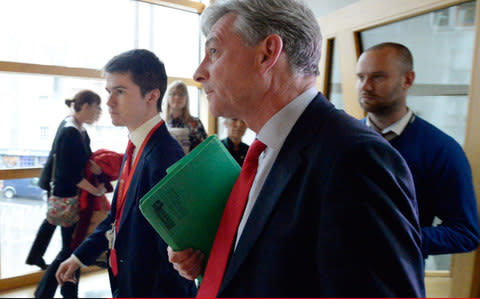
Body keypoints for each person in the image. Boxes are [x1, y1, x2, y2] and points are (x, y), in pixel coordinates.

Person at [167, 0, 425, 297]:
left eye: (214, 52)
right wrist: (217, 261)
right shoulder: (265, 150)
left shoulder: (354, 159)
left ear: (267, 54)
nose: (199, 72)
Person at [55, 49, 197, 298]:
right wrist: (78, 257)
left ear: (152, 95)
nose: (108, 102)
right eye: (109, 92)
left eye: (119, 91)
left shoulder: (165, 156)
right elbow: (116, 218)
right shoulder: (136, 147)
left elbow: (172, 256)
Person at [356, 42, 480, 260]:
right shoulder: (338, 139)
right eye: (360, 77)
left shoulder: (441, 150)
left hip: (395, 287)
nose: (365, 86)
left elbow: (465, 232)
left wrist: (396, 238)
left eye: (377, 77)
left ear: (408, 80)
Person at [33, 90, 105, 298]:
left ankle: (60, 292)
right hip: (68, 198)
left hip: (71, 198)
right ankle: (49, 292)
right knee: (70, 250)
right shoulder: (70, 132)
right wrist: (96, 190)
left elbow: (81, 161)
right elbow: (71, 174)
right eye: (97, 107)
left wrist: (96, 168)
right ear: (85, 106)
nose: (99, 112)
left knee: (71, 249)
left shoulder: (76, 128)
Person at [165, 80, 207, 153]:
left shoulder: (195, 123)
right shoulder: (162, 124)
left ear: (186, 98)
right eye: (173, 94)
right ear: (167, 98)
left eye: (181, 94)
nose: (177, 97)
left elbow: (205, 149)